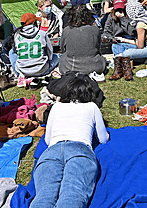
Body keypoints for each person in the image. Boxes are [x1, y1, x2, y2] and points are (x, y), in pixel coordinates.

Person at [30, 74, 109, 208]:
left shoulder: (56, 106)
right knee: (73, 194)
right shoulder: (91, 106)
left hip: (52, 152)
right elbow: (103, 139)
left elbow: (48, 140)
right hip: (80, 150)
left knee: (44, 196)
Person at [110, 0, 147, 80]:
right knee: (116, 46)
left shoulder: (140, 25)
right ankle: (124, 62)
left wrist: (127, 43)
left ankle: (121, 65)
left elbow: (140, 46)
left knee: (126, 53)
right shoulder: (143, 18)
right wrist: (123, 40)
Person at [59, 5, 106, 78]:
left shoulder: (67, 30)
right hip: (96, 66)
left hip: (70, 67)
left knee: (62, 57)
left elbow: (63, 49)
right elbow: (98, 47)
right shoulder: (95, 29)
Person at [11, 13, 59, 79]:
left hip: (23, 71)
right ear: (33, 22)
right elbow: (50, 53)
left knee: (11, 52)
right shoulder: (42, 33)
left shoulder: (17, 35)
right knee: (56, 56)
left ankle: (18, 74)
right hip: (42, 70)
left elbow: (15, 51)